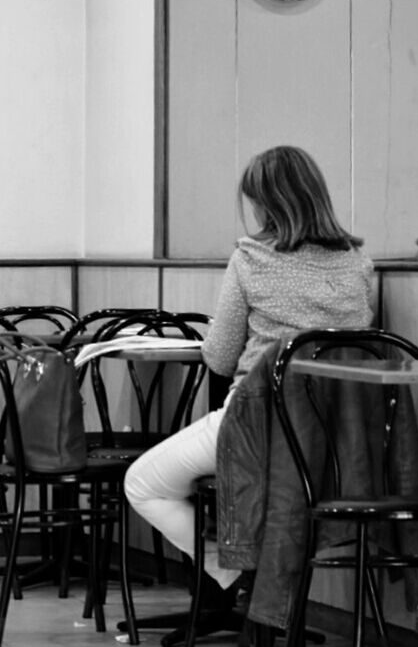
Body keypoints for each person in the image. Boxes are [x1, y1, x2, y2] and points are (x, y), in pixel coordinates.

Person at [124, 145, 375, 605]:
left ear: (266, 203)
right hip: (335, 440)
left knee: (142, 484)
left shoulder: (251, 259)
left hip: (258, 425)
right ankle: (255, 579)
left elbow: (219, 360)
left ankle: (235, 575)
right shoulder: (357, 263)